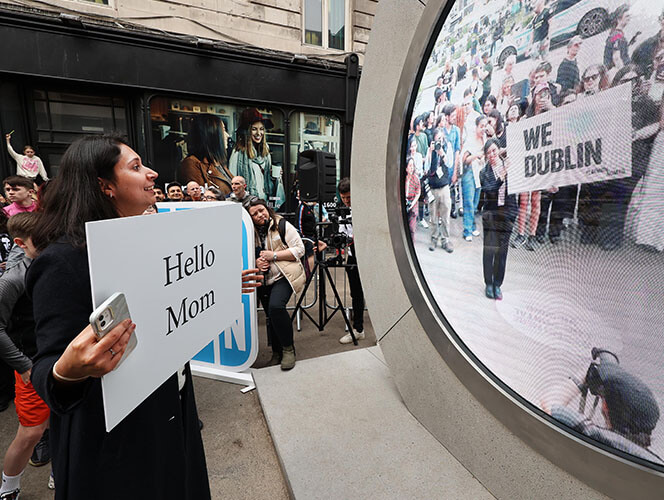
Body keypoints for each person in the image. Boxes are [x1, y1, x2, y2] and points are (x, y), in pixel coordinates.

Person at [25, 135, 262, 499]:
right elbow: (46, 367)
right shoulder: (62, 262)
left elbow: (170, 304)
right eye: (135, 167)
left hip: (173, 415)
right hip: (120, 446)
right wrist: (67, 371)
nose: (152, 173)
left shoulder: (155, 241)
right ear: (105, 186)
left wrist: (218, 286)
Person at [0, 213, 50, 500]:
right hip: (31, 363)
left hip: (58, 358)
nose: (50, 245)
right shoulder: (12, 280)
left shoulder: (53, 264)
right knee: (31, 432)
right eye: (41, 241)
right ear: (21, 243)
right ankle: (9, 488)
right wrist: (23, 365)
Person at [542, 359, 662, 464]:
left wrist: (585, 375)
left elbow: (551, 404)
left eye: (604, 398)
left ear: (606, 407)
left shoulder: (599, 437)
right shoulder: (650, 461)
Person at [249, 198, 304, 370]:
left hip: (284, 276)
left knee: (276, 307)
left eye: (261, 210)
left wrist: (273, 256)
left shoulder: (282, 224)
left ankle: (288, 349)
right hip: (263, 279)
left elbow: (300, 249)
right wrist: (256, 263)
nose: (260, 215)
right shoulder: (248, 231)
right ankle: (276, 352)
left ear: (267, 209)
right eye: (255, 213)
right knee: (270, 315)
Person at [480, 138, 517, 300]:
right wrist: (501, 177)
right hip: (491, 216)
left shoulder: (510, 166)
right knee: (490, 250)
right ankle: (488, 283)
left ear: (499, 150)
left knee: (502, 251)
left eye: (494, 151)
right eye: (488, 153)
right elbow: (490, 190)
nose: (492, 155)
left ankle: (497, 284)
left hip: (507, 215)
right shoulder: (484, 173)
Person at [336, 178, 366, 344]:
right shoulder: (343, 210)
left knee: (374, 293)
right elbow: (343, 232)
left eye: (349, 197)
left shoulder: (364, 209)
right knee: (356, 294)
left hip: (368, 256)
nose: (347, 201)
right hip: (352, 256)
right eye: (344, 197)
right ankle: (358, 329)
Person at [229, 108, 279, 202]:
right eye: (254, 129)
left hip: (265, 201)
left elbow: (266, 179)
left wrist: (274, 176)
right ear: (247, 132)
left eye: (261, 129)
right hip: (248, 202)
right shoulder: (238, 152)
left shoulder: (266, 151)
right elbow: (232, 181)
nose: (258, 133)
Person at [178, 114, 233, 196]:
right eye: (223, 130)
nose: (227, 135)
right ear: (211, 135)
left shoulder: (217, 162)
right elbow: (200, 199)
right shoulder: (192, 164)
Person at [426, 130, 453, 253]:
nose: (439, 142)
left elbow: (450, 163)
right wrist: (431, 152)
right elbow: (426, 167)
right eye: (437, 139)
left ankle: (445, 240)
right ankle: (433, 238)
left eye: (441, 139)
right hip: (432, 187)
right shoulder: (430, 150)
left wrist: (442, 153)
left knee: (445, 215)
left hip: (444, 187)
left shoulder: (448, 147)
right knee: (433, 216)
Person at [461, 115, 487, 241]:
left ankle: (471, 226)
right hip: (469, 172)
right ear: (476, 127)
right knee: (469, 202)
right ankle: (467, 231)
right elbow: (465, 160)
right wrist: (476, 155)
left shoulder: (485, 140)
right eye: (481, 126)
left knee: (475, 202)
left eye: (485, 126)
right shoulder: (470, 140)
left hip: (480, 173)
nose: (483, 129)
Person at [604, 4, 631, 72]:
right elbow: (616, 58)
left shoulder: (615, 34)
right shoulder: (617, 35)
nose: (629, 18)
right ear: (619, 19)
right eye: (627, 16)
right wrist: (623, 74)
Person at [405, 156, 421, 241]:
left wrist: (412, 203)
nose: (411, 168)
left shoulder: (416, 179)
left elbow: (418, 193)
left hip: (412, 203)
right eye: (410, 166)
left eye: (412, 166)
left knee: (411, 228)